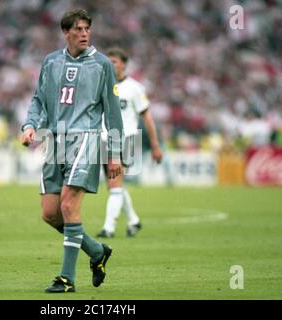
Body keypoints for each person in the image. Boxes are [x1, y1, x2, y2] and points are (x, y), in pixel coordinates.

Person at [21, 9, 123, 293]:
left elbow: (113, 113)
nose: (84, 34)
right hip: (54, 140)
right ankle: (96, 251)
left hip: (86, 140)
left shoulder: (102, 65)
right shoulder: (51, 61)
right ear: (65, 32)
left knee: (68, 205)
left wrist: (115, 153)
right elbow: (39, 100)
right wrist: (30, 125)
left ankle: (66, 279)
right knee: (50, 213)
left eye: (87, 29)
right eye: (78, 29)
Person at [97, 48, 163, 238]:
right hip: (104, 139)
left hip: (126, 140)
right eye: (108, 62)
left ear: (124, 64)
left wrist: (155, 146)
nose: (111, 65)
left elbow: (148, 118)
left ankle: (108, 228)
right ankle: (133, 220)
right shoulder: (102, 85)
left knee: (115, 185)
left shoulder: (134, 88)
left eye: (114, 62)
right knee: (113, 185)